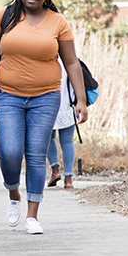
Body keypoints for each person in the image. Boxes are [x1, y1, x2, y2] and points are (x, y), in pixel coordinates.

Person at [0, 0, 88, 235]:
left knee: (37, 155)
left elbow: (72, 62)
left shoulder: (58, 22)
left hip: (46, 96)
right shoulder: (4, 17)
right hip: (8, 94)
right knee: (10, 153)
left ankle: (32, 215)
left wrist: (81, 100)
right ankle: (14, 193)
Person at [47, 56, 76, 190]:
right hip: (68, 106)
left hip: (48, 104)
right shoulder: (71, 60)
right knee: (67, 141)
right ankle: (68, 179)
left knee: (48, 138)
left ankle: (55, 170)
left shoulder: (44, 59)